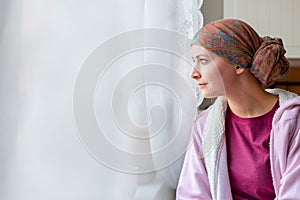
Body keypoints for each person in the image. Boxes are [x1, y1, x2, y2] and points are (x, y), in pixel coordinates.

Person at [176, 19, 300, 199]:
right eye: (194, 61)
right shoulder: (205, 126)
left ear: (238, 64)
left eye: (203, 61)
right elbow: (191, 194)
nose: (193, 73)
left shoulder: (293, 122)